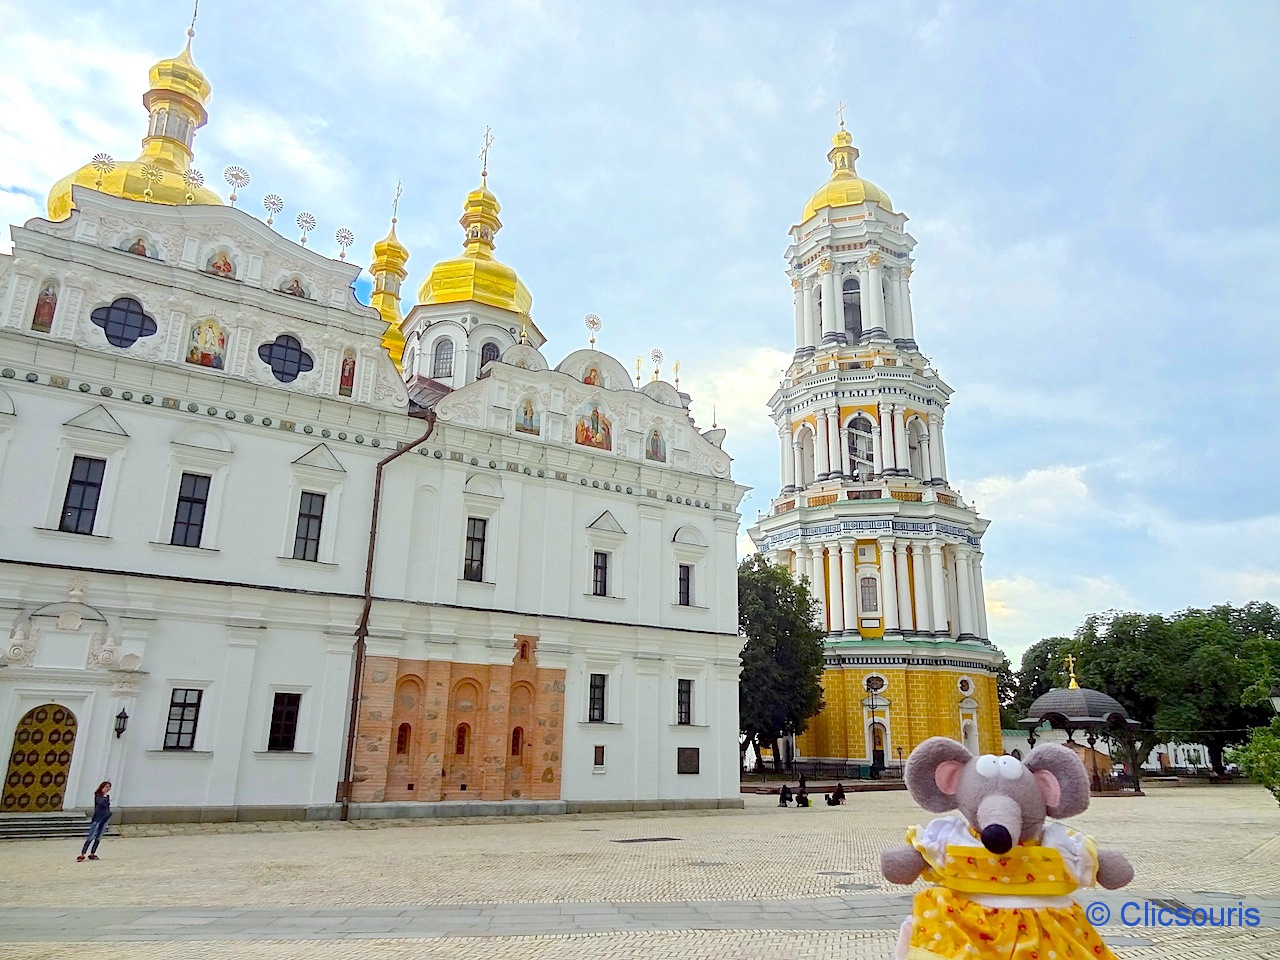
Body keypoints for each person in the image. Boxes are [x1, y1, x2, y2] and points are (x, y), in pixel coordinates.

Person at [78, 781, 112, 861]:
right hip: (97, 818)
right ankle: (82, 853)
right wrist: (104, 796)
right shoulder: (98, 796)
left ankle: (92, 853)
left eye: (109, 787)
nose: (108, 789)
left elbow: (107, 806)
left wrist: (109, 814)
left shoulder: (107, 796)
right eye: (106, 787)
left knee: (98, 837)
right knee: (91, 836)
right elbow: (100, 803)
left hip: (105, 818)